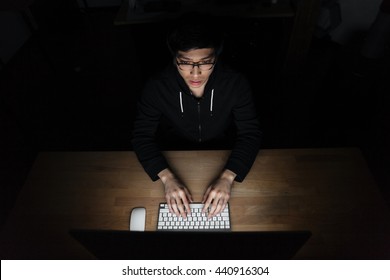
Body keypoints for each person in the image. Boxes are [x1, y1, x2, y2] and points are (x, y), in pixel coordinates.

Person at [131, 13, 262, 219]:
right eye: (185, 62)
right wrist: (166, 177)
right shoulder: (156, 87)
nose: (195, 73)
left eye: (205, 62)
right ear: (174, 59)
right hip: (174, 154)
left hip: (222, 152)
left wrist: (228, 176)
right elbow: (141, 136)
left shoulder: (236, 84)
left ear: (216, 58)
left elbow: (251, 133)